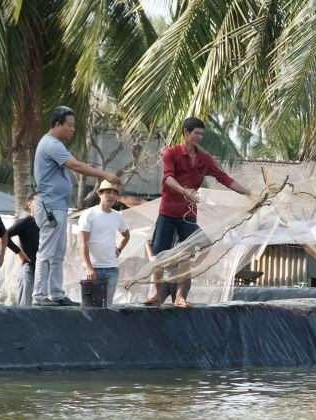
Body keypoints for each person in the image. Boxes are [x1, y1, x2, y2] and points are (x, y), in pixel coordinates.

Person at [144, 116, 251, 308]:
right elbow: (168, 179)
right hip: (168, 212)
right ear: (186, 133)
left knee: (191, 251)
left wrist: (249, 194)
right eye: (197, 133)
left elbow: (224, 178)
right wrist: (185, 191)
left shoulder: (204, 159)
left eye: (202, 134)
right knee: (160, 255)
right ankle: (156, 293)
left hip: (188, 214)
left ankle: (180, 296)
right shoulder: (171, 153)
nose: (200, 137)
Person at [32, 106, 121, 307]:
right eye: (70, 125)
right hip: (50, 206)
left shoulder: (56, 144)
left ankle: (55, 293)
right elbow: (77, 166)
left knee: (58, 252)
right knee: (46, 252)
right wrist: (104, 175)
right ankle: (39, 296)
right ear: (57, 124)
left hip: (59, 206)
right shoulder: (51, 144)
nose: (73, 130)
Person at [78, 181, 131, 306]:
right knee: (89, 307)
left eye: (114, 193)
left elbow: (126, 235)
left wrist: (119, 250)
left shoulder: (118, 216)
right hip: (92, 269)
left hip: (111, 269)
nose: (111, 196)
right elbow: (82, 242)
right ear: (100, 194)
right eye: (107, 192)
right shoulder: (89, 214)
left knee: (106, 306)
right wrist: (89, 268)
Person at [6, 192, 40, 307]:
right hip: (29, 269)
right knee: (26, 307)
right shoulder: (25, 222)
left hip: (44, 272)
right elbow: (4, 235)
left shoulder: (48, 224)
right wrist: (19, 252)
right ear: (30, 204)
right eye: (38, 201)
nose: (41, 204)